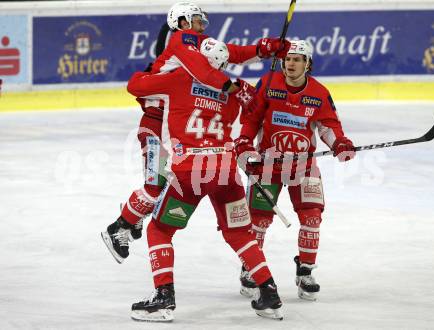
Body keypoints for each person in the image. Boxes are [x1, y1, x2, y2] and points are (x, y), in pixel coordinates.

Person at [101, 1, 290, 263]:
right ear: (182, 22)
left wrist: (262, 49)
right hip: (157, 124)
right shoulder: (183, 40)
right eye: (198, 20)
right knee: (155, 186)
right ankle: (118, 228)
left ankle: (132, 218)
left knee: (167, 185)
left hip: (173, 125)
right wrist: (233, 87)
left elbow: (229, 53)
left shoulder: (197, 45)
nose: (204, 26)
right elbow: (203, 73)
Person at [126, 38, 283, 322]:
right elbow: (260, 111)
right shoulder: (235, 90)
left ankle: (163, 299)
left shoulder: (178, 78)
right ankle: (269, 292)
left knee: (159, 231)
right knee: (239, 233)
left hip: (190, 171)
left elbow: (135, 85)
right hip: (225, 170)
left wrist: (157, 67)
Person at [234, 40, 356, 301]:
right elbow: (252, 118)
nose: (291, 63)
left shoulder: (319, 93)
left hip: (303, 164)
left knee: (312, 217)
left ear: (308, 64)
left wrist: (339, 143)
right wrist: (244, 143)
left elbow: (328, 126)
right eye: (288, 58)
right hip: (268, 163)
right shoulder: (267, 84)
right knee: (259, 219)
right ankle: (250, 269)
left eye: (298, 59)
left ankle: (306, 270)